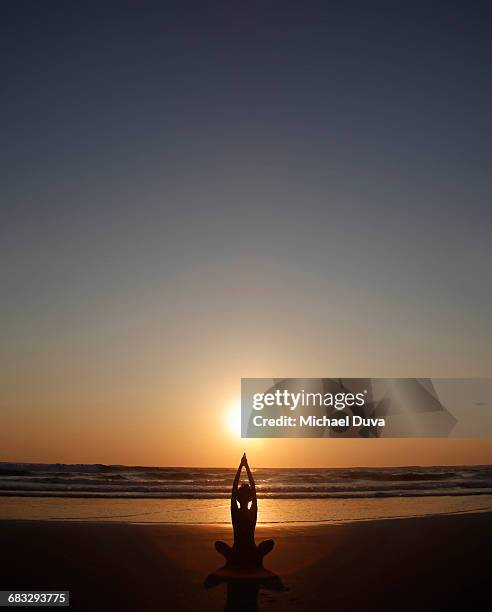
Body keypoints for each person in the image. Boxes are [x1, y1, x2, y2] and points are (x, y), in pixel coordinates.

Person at [215, 453, 274, 569]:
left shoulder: (235, 512)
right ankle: (256, 559)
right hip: (252, 553)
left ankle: (232, 560)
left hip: (236, 553)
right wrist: (246, 466)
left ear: (237, 498)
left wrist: (241, 466)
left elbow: (234, 488)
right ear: (251, 498)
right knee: (270, 543)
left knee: (218, 544)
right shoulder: (252, 512)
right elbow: (253, 488)